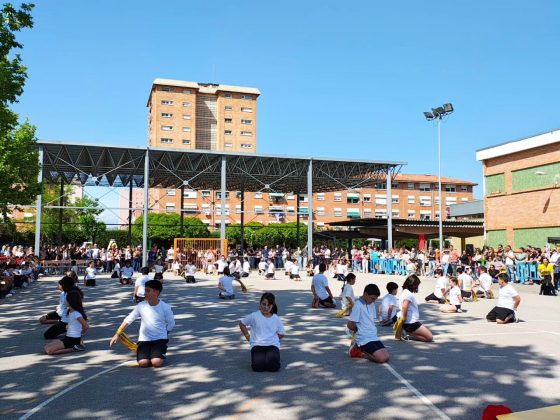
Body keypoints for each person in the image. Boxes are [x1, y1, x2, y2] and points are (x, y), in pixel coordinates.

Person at [110, 280, 175, 368]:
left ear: (156, 292)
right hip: (144, 339)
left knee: (156, 362)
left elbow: (171, 323)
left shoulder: (165, 307)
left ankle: (158, 354)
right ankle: (148, 353)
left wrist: (165, 333)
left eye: (148, 291)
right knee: (143, 363)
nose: (145, 293)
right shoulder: (141, 306)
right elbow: (129, 319)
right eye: (145, 290)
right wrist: (117, 334)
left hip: (160, 340)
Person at [239, 292, 285, 372]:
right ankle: (264, 359)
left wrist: (272, 339)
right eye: (264, 304)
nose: (266, 307)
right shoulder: (254, 316)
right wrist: (248, 337)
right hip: (257, 345)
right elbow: (242, 324)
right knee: (258, 367)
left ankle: (270, 358)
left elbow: (281, 334)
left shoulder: (276, 318)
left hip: (272, 345)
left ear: (272, 305)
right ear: (260, 303)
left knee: (274, 367)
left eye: (269, 305)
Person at [347, 284, 390, 363]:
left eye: (375, 299)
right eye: (372, 298)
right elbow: (350, 325)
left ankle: (363, 350)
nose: (374, 301)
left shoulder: (372, 304)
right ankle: (359, 348)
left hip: (373, 336)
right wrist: (358, 330)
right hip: (364, 338)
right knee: (381, 359)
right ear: (366, 294)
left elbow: (371, 321)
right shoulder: (358, 305)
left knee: (386, 356)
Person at [44, 290, 88, 354]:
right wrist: (68, 327)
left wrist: (81, 333)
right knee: (46, 347)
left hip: (73, 339)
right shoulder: (70, 311)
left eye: (66, 299)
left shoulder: (76, 314)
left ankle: (74, 348)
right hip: (68, 337)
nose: (65, 301)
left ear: (70, 301)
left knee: (49, 351)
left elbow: (86, 326)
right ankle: (75, 345)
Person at [399, 274, 433, 342]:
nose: (417, 287)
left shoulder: (405, 292)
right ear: (413, 285)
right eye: (417, 285)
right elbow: (404, 306)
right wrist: (404, 318)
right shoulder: (408, 294)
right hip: (411, 323)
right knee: (429, 338)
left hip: (410, 322)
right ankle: (407, 332)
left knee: (427, 336)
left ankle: (407, 332)